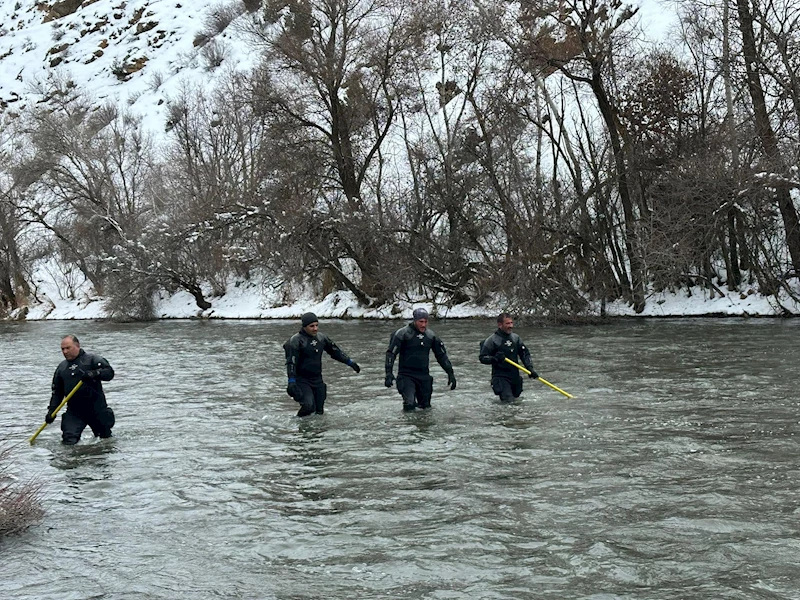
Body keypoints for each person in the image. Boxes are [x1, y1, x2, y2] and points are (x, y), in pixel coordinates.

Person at [283, 312, 361, 416]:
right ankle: (298, 425)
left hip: (317, 380)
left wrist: (350, 362)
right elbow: (291, 362)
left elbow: (335, 352)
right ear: (304, 326)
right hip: (301, 380)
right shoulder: (296, 341)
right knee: (308, 406)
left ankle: (318, 431)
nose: (315, 328)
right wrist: (291, 381)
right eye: (311, 326)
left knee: (319, 412)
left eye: (316, 325)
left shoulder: (321, 338)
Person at [45, 335, 115, 444]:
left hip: (96, 408)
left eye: (68, 348)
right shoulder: (61, 368)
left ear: (77, 346)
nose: (65, 351)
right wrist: (52, 411)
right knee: (68, 441)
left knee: (105, 440)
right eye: (62, 349)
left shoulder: (93, 359)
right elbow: (57, 393)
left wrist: (94, 373)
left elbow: (109, 373)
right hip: (74, 411)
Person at [384, 307, 456, 411]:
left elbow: (441, 356)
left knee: (426, 408)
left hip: (424, 376)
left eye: (426, 322)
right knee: (409, 405)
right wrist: (388, 373)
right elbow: (391, 354)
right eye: (421, 321)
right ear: (414, 321)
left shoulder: (431, 336)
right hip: (406, 376)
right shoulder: (402, 334)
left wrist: (450, 373)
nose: (423, 325)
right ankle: (407, 426)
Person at [479, 313, 538, 403]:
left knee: (516, 402)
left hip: (515, 377)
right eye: (507, 324)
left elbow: (525, 354)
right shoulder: (492, 340)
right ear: (500, 325)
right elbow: (482, 358)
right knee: (509, 403)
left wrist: (530, 368)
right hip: (500, 377)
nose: (511, 326)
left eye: (511, 323)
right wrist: (495, 358)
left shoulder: (515, 338)